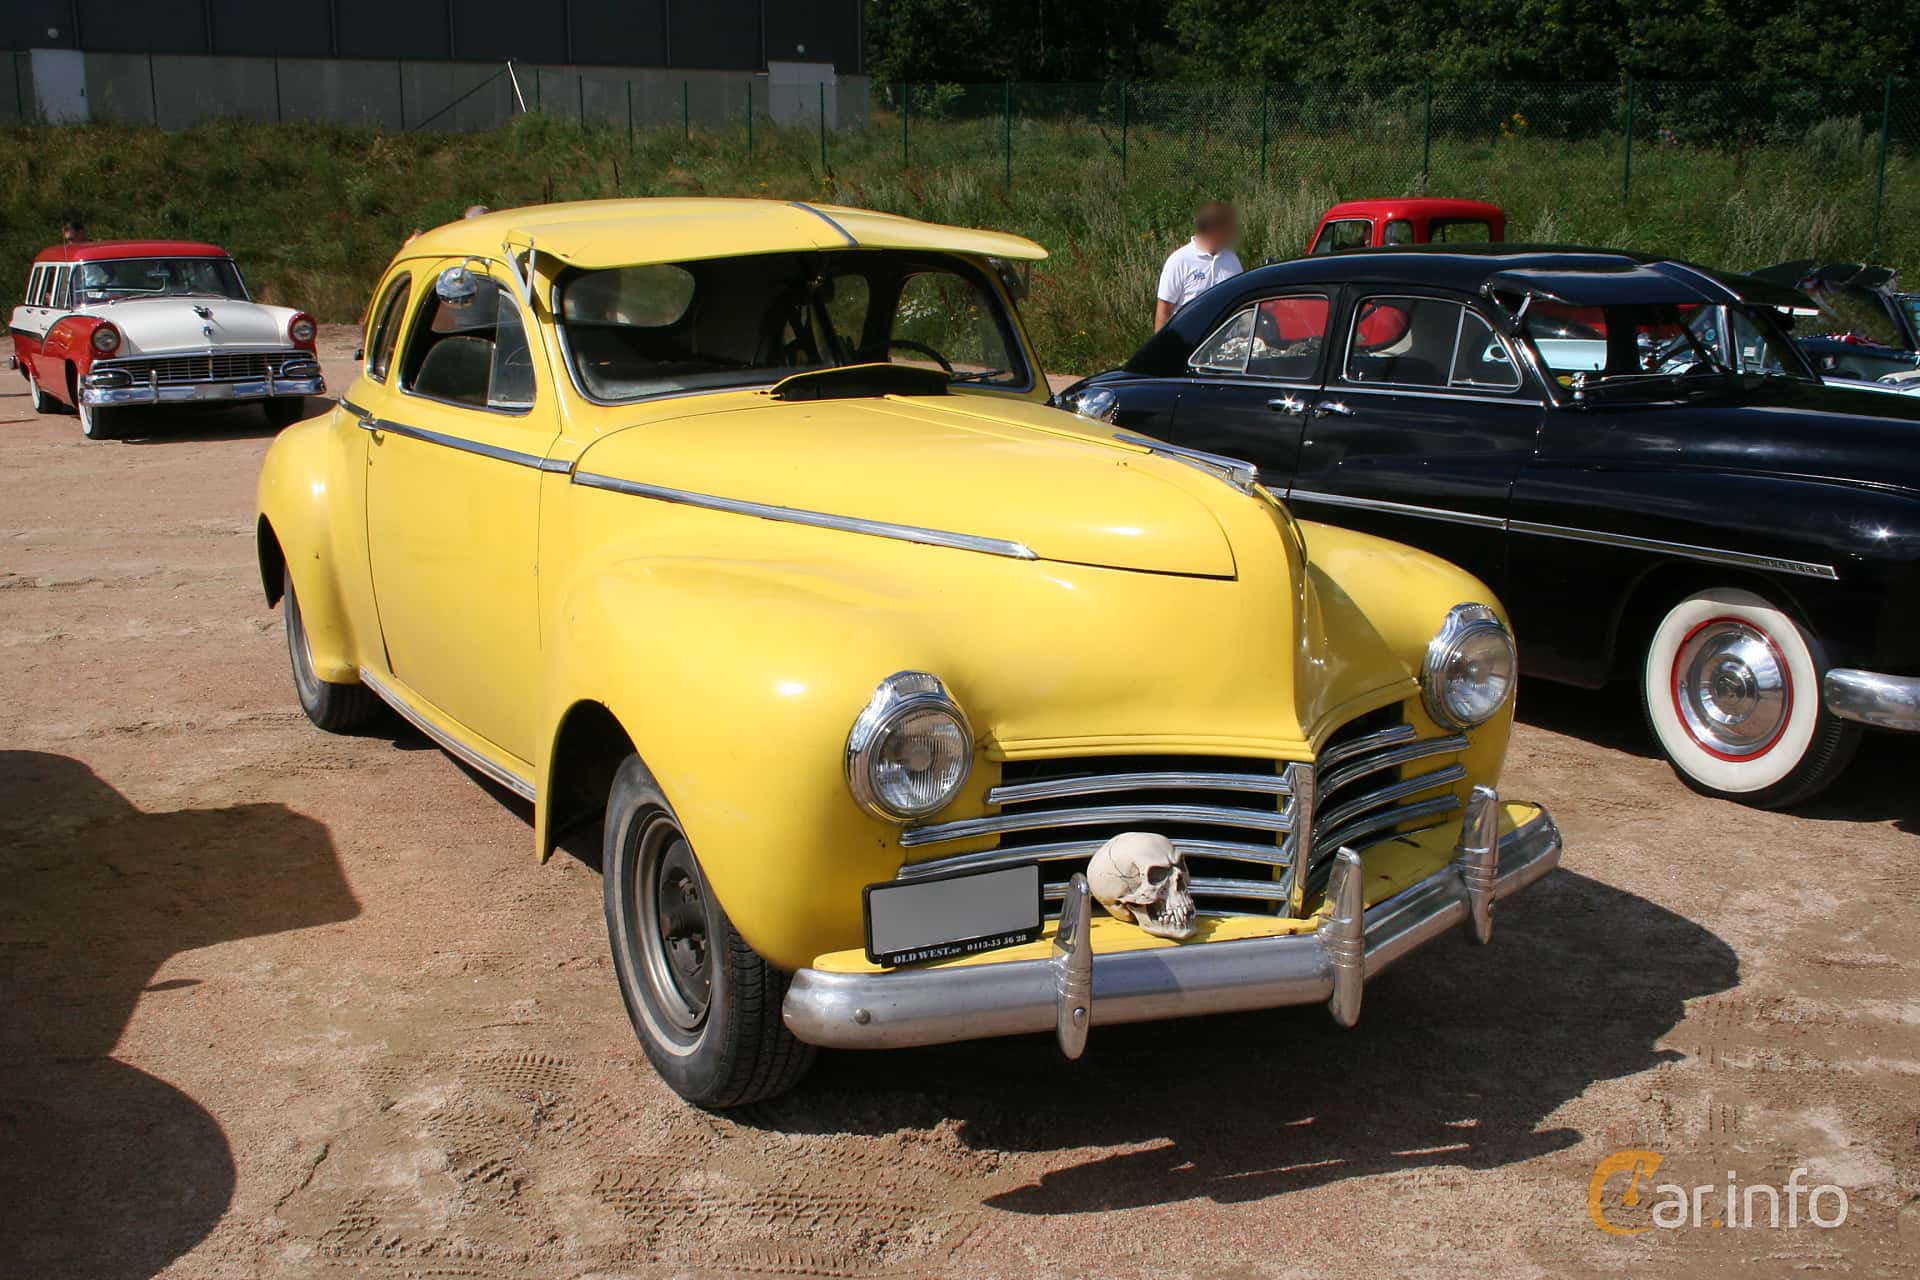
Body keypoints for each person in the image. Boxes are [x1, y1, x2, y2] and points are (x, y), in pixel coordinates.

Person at [1154, 202, 1241, 331]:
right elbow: (1163, 312)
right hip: (1188, 343)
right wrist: (1161, 348)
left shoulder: (1232, 260)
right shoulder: (1179, 260)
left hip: (1224, 343)